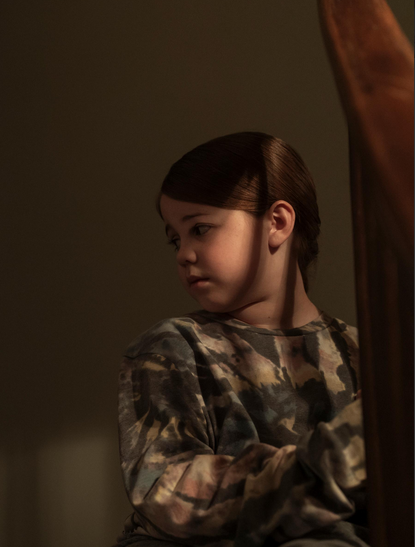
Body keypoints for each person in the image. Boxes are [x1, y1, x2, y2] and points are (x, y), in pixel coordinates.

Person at [116, 133, 367, 547]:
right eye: (176, 238)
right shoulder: (172, 349)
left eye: (200, 229)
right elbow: (165, 488)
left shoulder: (363, 353)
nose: (183, 253)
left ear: (278, 223)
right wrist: (332, 461)